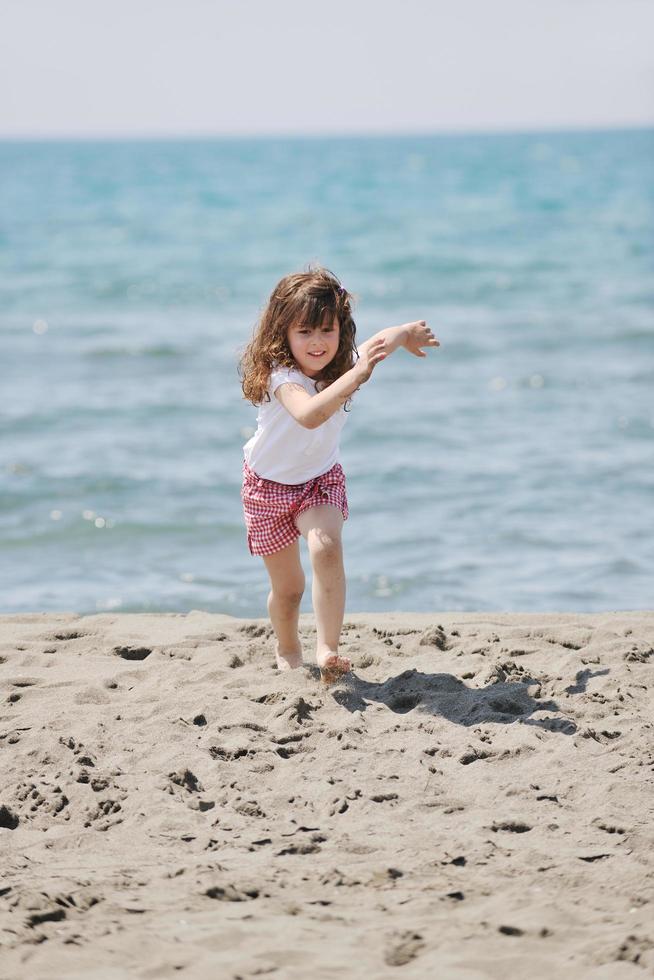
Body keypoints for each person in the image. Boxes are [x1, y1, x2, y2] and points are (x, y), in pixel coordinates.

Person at [237, 265, 439, 684]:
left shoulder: (345, 364)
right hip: (266, 488)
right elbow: (310, 415)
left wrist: (405, 332)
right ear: (283, 333)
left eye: (327, 331)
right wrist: (357, 374)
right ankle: (287, 645)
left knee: (326, 547)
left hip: (319, 480)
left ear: (341, 330)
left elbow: (383, 342)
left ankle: (328, 649)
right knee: (289, 589)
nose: (317, 343)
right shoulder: (282, 377)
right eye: (305, 332)